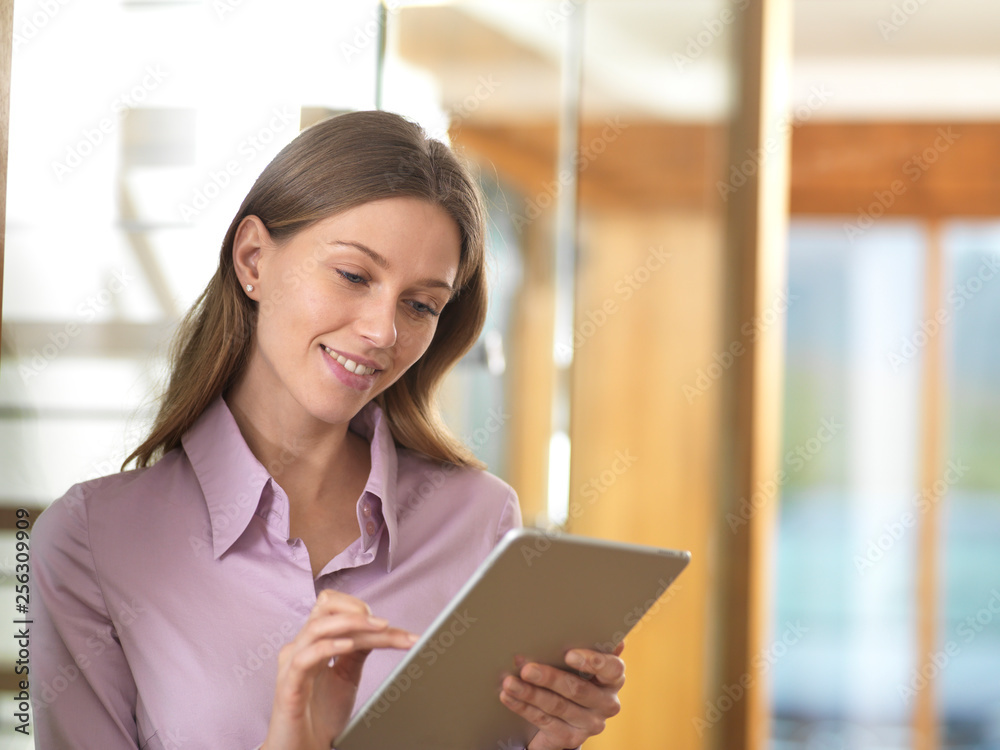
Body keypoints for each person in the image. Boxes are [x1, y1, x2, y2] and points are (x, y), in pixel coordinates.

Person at [29, 110, 625, 750]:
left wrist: (553, 738)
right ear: (253, 258)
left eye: (420, 304)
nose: (383, 331)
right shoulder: (93, 542)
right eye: (353, 275)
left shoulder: (478, 522)